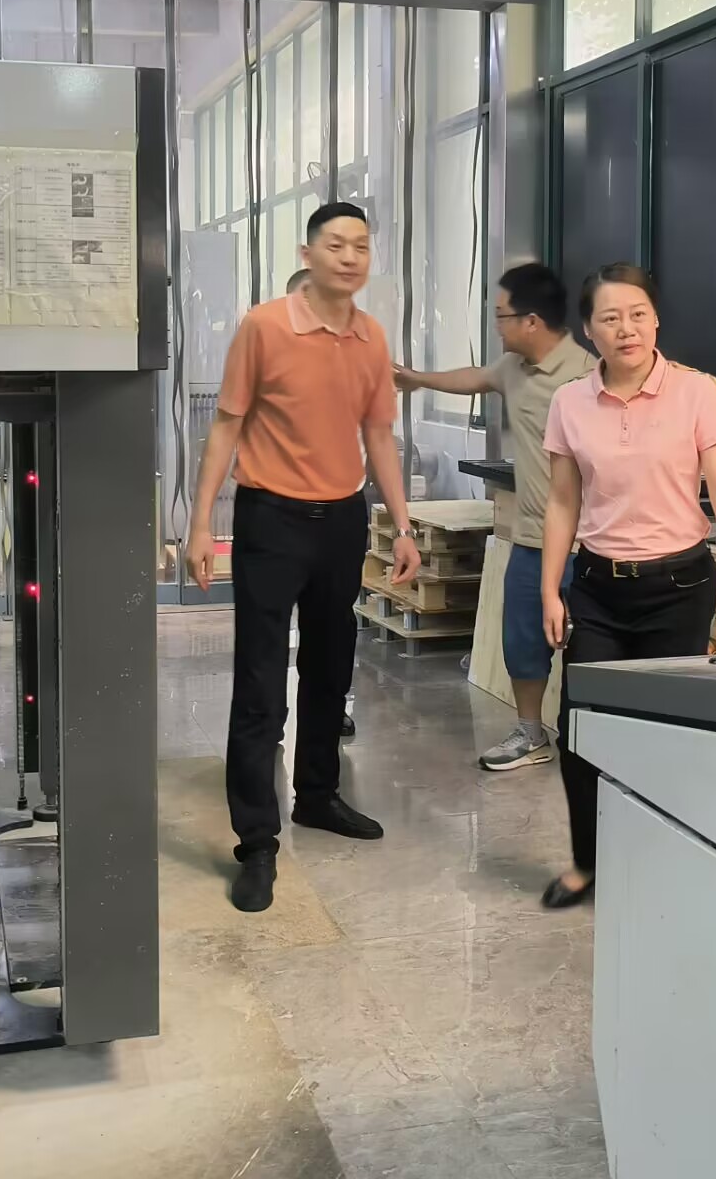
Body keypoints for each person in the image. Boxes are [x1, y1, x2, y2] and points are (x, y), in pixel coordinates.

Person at [187, 203, 421, 913]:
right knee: (261, 681)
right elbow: (227, 426)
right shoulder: (264, 327)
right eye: (336, 244)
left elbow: (378, 437)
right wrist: (200, 525)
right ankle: (257, 842)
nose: (350, 257)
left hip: (342, 520)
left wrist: (402, 525)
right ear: (308, 253)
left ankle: (317, 795)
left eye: (361, 246)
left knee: (330, 665)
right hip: (271, 519)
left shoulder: (372, 338)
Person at [538, 263, 716, 909]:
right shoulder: (570, 402)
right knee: (581, 726)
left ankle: (666, 861)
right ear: (589, 331)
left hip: (679, 587)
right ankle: (588, 862)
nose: (626, 328)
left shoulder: (697, 392)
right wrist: (550, 590)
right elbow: (562, 502)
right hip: (597, 589)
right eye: (609, 318)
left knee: (670, 733)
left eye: (637, 314)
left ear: (656, 319)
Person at [394, 263, 595, 771]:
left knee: (591, 651)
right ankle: (531, 733)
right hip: (530, 537)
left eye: (501, 316)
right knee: (522, 642)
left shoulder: (588, 376)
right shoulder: (513, 368)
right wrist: (416, 379)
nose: (496, 325)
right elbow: (475, 378)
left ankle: (591, 747)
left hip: (590, 544)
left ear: (532, 321)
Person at [287, 265, 359, 741]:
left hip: (339, 512)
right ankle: (271, 710)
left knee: (334, 622)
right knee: (272, 622)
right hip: (281, 512)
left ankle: (333, 707)